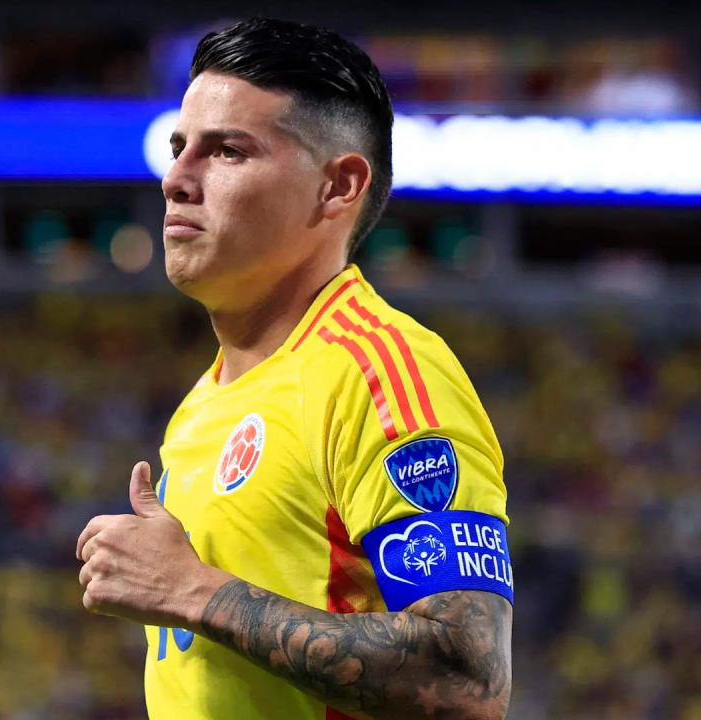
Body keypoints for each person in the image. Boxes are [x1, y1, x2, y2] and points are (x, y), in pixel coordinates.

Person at [76, 17, 512, 720]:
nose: (176, 180)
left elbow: (468, 680)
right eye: (179, 149)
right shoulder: (201, 404)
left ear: (338, 187)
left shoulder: (378, 371)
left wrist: (190, 589)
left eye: (227, 151)